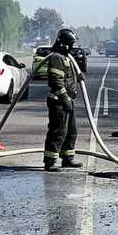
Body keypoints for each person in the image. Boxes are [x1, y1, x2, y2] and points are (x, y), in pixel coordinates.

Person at [44, 27, 86, 171]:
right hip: (58, 101)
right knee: (58, 132)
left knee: (71, 132)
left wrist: (78, 75)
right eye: (71, 44)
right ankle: (50, 162)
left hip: (67, 100)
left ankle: (67, 158)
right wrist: (65, 99)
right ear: (64, 43)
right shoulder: (56, 57)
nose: (73, 47)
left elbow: (67, 76)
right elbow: (56, 81)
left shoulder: (66, 57)